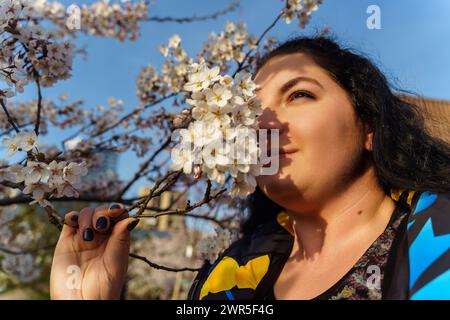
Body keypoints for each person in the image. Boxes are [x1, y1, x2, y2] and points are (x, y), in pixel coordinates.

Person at [50, 36, 450, 300]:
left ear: (369, 127)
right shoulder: (224, 280)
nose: (264, 123)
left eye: (300, 94)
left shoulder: (439, 235)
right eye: (252, 110)